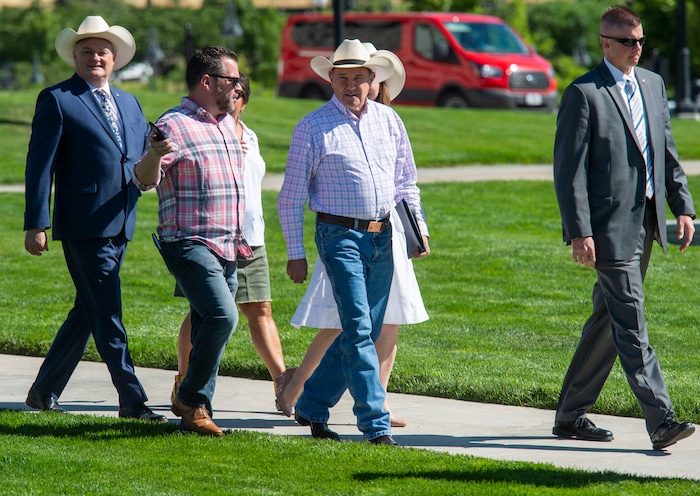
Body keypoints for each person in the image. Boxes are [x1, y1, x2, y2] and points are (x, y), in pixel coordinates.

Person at [552, 5, 696, 451]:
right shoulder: (584, 93)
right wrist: (580, 230)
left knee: (606, 320)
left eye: (640, 41)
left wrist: (683, 207)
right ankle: (661, 420)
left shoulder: (653, 84)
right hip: (608, 228)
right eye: (628, 42)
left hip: (648, 223)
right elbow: (568, 170)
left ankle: (571, 415)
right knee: (631, 320)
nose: (637, 49)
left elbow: (665, 152)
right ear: (605, 43)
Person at [277, 39, 430, 446]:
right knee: (360, 329)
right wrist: (296, 253)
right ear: (330, 78)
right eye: (342, 77)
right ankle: (375, 424)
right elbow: (290, 197)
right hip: (338, 235)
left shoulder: (389, 121)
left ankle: (312, 405)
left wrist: (420, 229)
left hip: (383, 237)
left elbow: (405, 183)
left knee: (364, 328)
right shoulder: (312, 126)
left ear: (373, 80)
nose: (351, 85)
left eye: (359, 78)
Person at [22, 16, 169, 423]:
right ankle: (133, 401)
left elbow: (139, 159)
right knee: (107, 313)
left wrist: (157, 150)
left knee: (88, 310)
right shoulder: (57, 98)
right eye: (87, 51)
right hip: (83, 222)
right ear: (74, 56)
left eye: (103, 51)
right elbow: (40, 166)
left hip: (121, 220)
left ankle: (43, 391)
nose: (95, 57)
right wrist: (37, 222)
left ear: (116, 58)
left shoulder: (130, 103)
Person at [134, 46, 248, 436]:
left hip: (228, 243)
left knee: (206, 326)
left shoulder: (225, 124)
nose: (237, 88)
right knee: (223, 317)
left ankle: (197, 412)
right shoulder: (174, 124)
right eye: (231, 81)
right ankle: (191, 397)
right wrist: (154, 154)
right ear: (207, 82)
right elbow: (144, 179)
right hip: (188, 240)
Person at [170, 73, 293, 412]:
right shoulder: (206, 133)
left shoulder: (250, 137)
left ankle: (283, 383)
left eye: (239, 95)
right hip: (212, 236)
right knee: (203, 313)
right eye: (230, 93)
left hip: (251, 236)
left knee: (261, 308)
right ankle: (185, 381)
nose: (232, 101)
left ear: (245, 100)